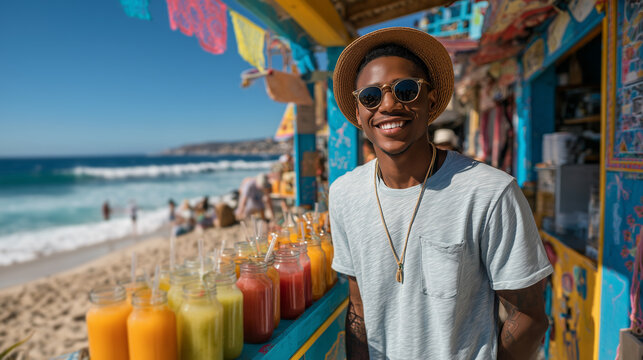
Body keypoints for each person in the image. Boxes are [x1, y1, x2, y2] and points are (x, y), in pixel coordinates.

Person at [328, 27, 552, 360]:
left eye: (405, 90)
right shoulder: (344, 193)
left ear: (431, 98)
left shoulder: (489, 192)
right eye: (371, 97)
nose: (388, 104)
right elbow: (358, 310)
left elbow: (530, 318)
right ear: (359, 111)